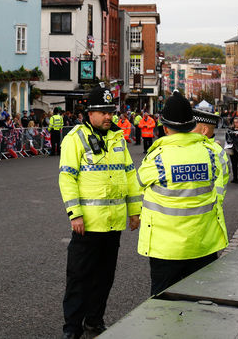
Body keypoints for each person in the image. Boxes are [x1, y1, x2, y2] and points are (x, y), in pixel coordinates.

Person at [58, 85, 141, 338]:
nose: (108, 117)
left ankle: (94, 321)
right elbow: (67, 178)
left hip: (113, 224)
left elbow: (130, 176)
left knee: (104, 278)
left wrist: (134, 211)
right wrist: (76, 214)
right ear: (89, 113)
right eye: (102, 112)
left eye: (110, 111)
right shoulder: (75, 138)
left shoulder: (118, 138)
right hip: (88, 225)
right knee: (79, 278)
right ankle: (71, 328)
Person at [136, 90, 228, 297]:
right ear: (191, 125)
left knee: (163, 305)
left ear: (166, 128)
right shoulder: (211, 153)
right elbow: (220, 183)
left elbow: (139, 182)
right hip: (204, 242)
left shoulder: (157, 157)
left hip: (166, 247)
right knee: (199, 302)